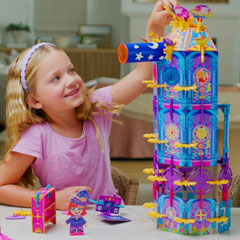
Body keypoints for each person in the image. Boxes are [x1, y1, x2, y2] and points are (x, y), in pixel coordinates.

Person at [0, 0, 178, 210]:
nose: (70, 80)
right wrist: (53, 200)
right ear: (35, 100)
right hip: (71, 224)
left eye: (71, 70)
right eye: (56, 78)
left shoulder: (96, 107)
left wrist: (155, 28)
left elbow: (143, 74)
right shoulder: (36, 136)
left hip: (110, 220)